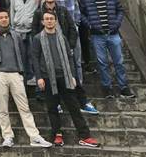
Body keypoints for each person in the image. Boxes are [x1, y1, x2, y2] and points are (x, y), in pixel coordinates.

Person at [32, 11, 100, 148]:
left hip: (65, 76)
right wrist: (39, 77)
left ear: (56, 21)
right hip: (48, 78)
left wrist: (72, 75)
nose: (49, 21)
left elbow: (69, 57)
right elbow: (35, 58)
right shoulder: (38, 38)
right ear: (42, 22)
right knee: (52, 108)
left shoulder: (62, 37)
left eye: (51, 18)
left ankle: (85, 136)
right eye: (46, 19)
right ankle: (57, 134)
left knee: (74, 107)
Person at [0, 10, 52, 148]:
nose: (4, 19)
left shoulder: (16, 36)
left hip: (15, 73)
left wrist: (21, 72)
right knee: (2, 108)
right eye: (1, 17)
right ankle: (7, 136)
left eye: (6, 17)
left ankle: (34, 136)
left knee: (24, 107)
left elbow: (22, 55)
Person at [34, 0, 97, 113]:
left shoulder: (62, 10)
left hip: (64, 48)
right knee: (51, 78)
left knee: (73, 76)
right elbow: (35, 31)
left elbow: (72, 28)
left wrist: (70, 45)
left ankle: (83, 102)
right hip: (48, 49)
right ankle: (56, 103)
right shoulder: (39, 13)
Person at [79, 0, 135, 99]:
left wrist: (116, 24)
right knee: (102, 63)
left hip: (113, 33)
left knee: (119, 61)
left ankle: (123, 87)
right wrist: (90, 25)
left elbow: (120, 10)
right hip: (97, 35)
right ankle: (107, 88)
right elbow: (81, 14)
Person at [10, 0, 41, 86]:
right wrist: (12, 27)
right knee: (21, 56)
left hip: (32, 30)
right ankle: (24, 79)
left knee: (32, 55)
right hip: (18, 30)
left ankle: (35, 78)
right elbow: (12, 11)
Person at [64, 0, 93, 73]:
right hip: (70, 14)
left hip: (82, 12)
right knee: (73, 40)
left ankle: (87, 63)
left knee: (85, 39)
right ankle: (75, 65)